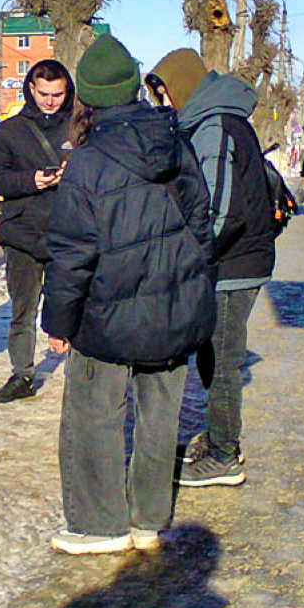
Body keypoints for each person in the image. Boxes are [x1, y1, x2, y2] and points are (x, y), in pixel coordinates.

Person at [42, 35, 215, 555]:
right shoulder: (175, 142)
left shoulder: (87, 164)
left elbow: (72, 256)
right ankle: (147, 521)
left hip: (106, 319)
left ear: (86, 97)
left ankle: (99, 526)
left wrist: (59, 325)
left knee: (93, 417)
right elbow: (201, 226)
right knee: (160, 421)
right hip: (172, 313)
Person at [147, 47, 276, 488]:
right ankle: (221, 439)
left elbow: (219, 210)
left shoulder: (215, 127)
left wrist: (188, 262)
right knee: (212, 354)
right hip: (235, 259)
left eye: (164, 93)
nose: (163, 103)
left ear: (182, 85)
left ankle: (225, 455)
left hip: (231, 263)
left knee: (221, 362)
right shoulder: (214, 120)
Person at [0, 59, 75, 404]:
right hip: (22, 232)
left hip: (68, 232)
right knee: (23, 308)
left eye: (58, 94)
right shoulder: (9, 131)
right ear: (31, 90)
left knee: (71, 302)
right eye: (44, 93)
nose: (50, 101)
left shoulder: (78, 129)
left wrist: (74, 172)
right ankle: (22, 374)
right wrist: (30, 181)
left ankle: (81, 373)